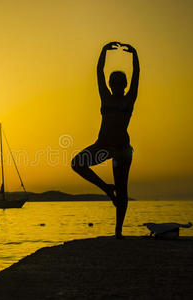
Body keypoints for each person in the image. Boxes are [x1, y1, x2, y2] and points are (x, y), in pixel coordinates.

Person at [71, 41, 139, 239]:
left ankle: (118, 231)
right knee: (77, 164)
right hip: (102, 146)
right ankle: (106, 189)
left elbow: (136, 75)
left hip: (122, 150)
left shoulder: (129, 99)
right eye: (114, 83)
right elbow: (99, 71)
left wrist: (134, 54)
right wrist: (103, 51)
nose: (117, 85)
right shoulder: (106, 98)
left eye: (120, 83)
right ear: (110, 85)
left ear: (124, 85)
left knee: (123, 189)